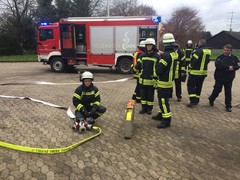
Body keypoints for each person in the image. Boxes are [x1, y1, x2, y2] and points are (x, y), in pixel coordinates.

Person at [152, 33, 178, 128]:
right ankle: (161, 114)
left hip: (164, 83)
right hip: (169, 82)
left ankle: (166, 120)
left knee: (163, 102)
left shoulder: (165, 56)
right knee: (162, 101)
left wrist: (158, 62)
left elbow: (159, 70)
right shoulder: (173, 54)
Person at [208, 44, 240, 112]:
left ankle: (228, 106)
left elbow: (237, 66)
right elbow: (218, 65)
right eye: (225, 50)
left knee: (228, 92)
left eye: (227, 50)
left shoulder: (235, 58)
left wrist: (233, 67)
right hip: (219, 77)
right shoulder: (220, 57)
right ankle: (211, 99)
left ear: (231, 51)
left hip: (229, 78)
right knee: (217, 90)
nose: (226, 51)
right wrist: (228, 67)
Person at [135, 38, 160, 115]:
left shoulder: (156, 56)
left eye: (150, 45)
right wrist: (136, 66)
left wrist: (156, 78)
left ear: (153, 46)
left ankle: (149, 109)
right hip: (143, 79)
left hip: (151, 79)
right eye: (147, 45)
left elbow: (158, 68)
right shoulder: (143, 56)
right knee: (143, 96)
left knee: (150, 96)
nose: (149, 46)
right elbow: (138, 65)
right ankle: (143, 108)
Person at [187, 39, 211, 107]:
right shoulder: (208, 51)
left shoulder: (198, 51)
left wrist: (189, 66)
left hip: (195, 72)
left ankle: (192, 101)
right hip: (203, 73)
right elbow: (208, 61)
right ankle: (197, 100)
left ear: (200, 44)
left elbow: (194, 61)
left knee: (190, 85)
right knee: (199, 87)